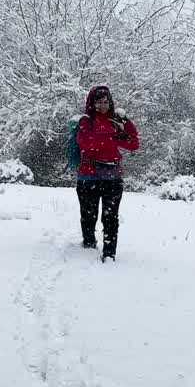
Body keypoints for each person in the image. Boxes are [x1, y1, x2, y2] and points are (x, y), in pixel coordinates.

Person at [74, 85, 139, 262]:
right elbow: (86, 142)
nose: (102, 106)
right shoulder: (86, 121)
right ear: (91, 103)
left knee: (110, 217)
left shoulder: (117, 120)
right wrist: (115, 137)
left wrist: (126, 123)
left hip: (113, 177)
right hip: (89, 176)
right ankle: (88, 245)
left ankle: (110, 253)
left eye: (106, 102)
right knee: (89, 215)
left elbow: (134, 143)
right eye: (98, 102)